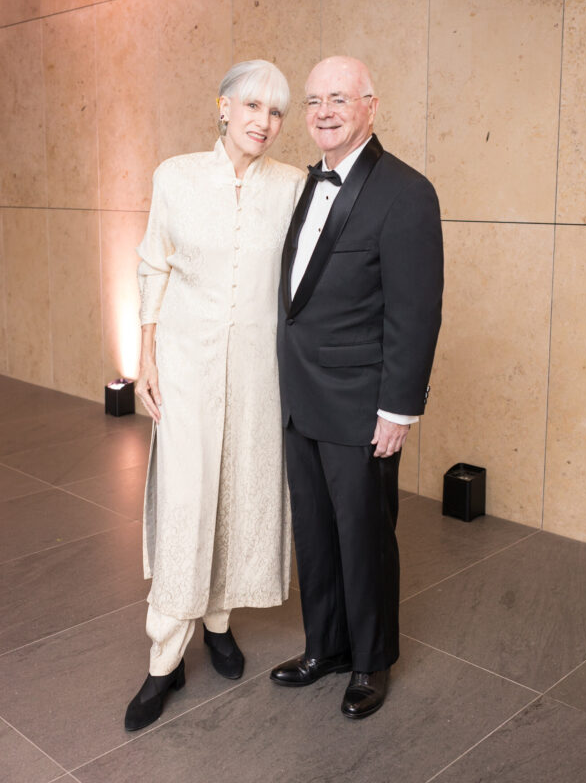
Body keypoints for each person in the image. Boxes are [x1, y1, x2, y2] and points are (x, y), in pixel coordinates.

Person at [125, 60, 305, 732]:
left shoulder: (292, 186)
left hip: (260, 369)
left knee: (241, 490)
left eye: (277, 111)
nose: (264, 121)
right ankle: (163, 661)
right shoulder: (175, 175)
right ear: (223, 106)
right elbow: (153, 261)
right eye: (253, 105)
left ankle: (219, 623)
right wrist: (143, 352)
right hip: (186, 363)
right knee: (186, 497)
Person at [271, 56, 443, 719]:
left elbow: (413, 311)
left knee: (364, 537)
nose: (323, 111)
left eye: (338, 97)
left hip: (360, 405)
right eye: (313, 99)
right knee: (314, 533)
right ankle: (325, 646)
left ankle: (370, 661)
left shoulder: (405, 191)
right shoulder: (301, 185)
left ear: (370, 104)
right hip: (300, 396)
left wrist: (397, 410)